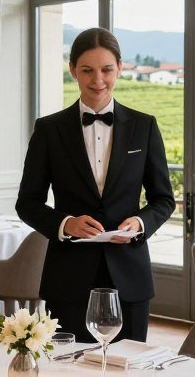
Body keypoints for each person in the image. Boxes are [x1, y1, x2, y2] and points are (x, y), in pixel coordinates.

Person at [16, 28, 175, 342]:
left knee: (127, 373)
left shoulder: (144, 127)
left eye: (106, 69)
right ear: (72, 69)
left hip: (130, 275)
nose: (97, 79)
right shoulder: (49, 130)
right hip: (69, 277)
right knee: (68, 375)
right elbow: (28, 202)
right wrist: (66, 223)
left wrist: (141, 222)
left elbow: (163, 199)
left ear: (120, 68)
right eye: (87, 70)